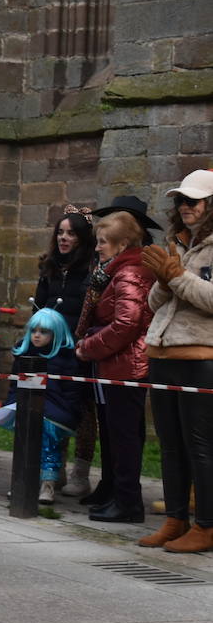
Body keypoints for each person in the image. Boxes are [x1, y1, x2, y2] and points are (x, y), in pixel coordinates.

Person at [139, 169, 213, 553]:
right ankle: (176, 518)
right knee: (170, 444)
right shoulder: (177, 243)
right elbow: (153, 305)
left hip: (201, 357)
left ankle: (207, 525)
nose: (185, 207)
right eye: (181, 201)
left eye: (193, 200)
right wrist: (165, 280)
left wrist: (177, 278)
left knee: (200, 445)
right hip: (162, 352)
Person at [71, 210, 155, 522]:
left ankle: (129, 504)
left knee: (124, 436)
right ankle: (118, 497)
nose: (97, 247)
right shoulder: (120, 269)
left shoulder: (129, 273)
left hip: (127, 365)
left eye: (103, 242)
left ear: (121, 245)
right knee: (117, 434)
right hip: (118, 363)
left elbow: (126, 323)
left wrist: (87, 348)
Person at [34, 207, 100, 497]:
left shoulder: (91, 268)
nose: (64, 238)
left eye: (71, 233)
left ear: (82, 237)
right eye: (60, 232)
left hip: (79, 349)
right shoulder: (49, 267)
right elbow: (39, 303)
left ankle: (81, 472)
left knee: (83, 410)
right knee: (52, 408)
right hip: (52, 349)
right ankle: (54, 467)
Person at [0, 309, 86, 504]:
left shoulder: (65, 359)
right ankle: (21, 482)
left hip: (54, 413)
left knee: (49, 446)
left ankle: (47, 484)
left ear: (56, 334)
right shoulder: (23, 354)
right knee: (23, 445)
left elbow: (72, 391)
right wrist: (11, 405)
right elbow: (15, 384)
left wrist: (68, 413)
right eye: (34, 330)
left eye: (44, 331)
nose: (37, 335)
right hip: (25, 407)